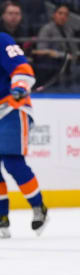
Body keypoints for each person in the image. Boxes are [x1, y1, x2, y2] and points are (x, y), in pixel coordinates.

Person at [0, 32, 48, 238]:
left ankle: (38, 207)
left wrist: (19, 86)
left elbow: (22, 68)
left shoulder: (2, 40)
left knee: (12, 162)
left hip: (12, 109)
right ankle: (2, 216)